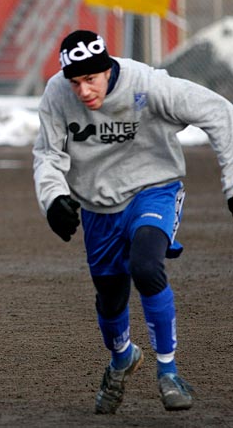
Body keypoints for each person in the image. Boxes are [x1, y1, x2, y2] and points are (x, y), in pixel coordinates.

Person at [33, 29, 233, 414]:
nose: (83, 91)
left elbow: (220, 113)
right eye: (75, 82)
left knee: (146, 266)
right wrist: (53, 198)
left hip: (153, 189)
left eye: (90, 79)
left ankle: (169, 372)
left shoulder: (149, 85)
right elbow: (47, 154)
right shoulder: (57, 94)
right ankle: (122, 357)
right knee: (109, 297)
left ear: (108, 69)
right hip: (98, 206)